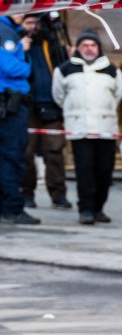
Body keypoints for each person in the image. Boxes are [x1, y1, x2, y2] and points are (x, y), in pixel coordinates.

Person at [51, 29, 121, 225]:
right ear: (77, 48)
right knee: (84, 171)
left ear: (99, 48)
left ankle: (99, 209)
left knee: (104, 171)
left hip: (105, 129)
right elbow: (58, 95)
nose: (89, 49)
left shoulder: (112, 70)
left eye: (92, 45)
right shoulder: (64, 69)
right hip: (80, 129)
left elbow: (118, 94)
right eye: (85, 45)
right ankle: (86, 209)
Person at [20, 14, 70, 211]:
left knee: (54, 153)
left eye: (36, 22)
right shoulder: (17, 44)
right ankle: (26, 193)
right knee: (26, 153)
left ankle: (59, 195)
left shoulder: (52, 44)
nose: (33, 27)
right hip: (27, 108)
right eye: (28, 23)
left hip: (52, 107)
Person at [0, 13, 33, 225]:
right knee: (11, 157)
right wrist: (26, 61)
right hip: (10, 102)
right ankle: (11, 208)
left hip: (9, 102)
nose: (22, 11)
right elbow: (10, 67)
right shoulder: (5, 31)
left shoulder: (10, 30)